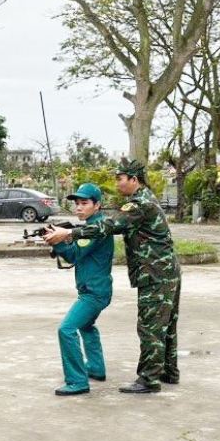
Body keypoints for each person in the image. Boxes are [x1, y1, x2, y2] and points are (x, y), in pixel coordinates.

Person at [45, 159, 181, 394]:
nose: (117, 183)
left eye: (120, 179)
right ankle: (168, 371)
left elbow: (107, 226)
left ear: (134, 180)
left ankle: (149, 379)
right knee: (165, 325)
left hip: (156, 272)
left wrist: (68, 233)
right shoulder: (146, 199)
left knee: (150, 327)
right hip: (165, 270)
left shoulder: (138, 204)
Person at [46, 183, 114, 397]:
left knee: (66, 329)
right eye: (77, 203)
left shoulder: (95, 228)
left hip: (94, 292)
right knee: (86, 326)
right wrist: (58, 240)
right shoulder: (90, 227)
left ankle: (77, 381)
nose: (79, 208)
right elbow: (75, 251)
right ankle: (95, 367)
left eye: (84, 203)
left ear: (97, 205)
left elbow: (74, 255)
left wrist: (59, 243)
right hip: (94, 289)